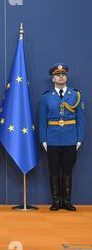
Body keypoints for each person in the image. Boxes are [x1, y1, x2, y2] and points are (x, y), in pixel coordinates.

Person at [39, 64, 85, 211]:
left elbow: (80, 119)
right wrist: (43, 139)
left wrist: (79, 138)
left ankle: (66, 201)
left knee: (67, 171)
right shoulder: (46, 97)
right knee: (53, 171)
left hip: (70, 138)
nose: (61, 76)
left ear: (66, 77)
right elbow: (42, 120)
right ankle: (56, 201)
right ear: (53, 79)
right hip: (52, 139)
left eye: (63, 74)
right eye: (58, 75)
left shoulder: (75, 95)